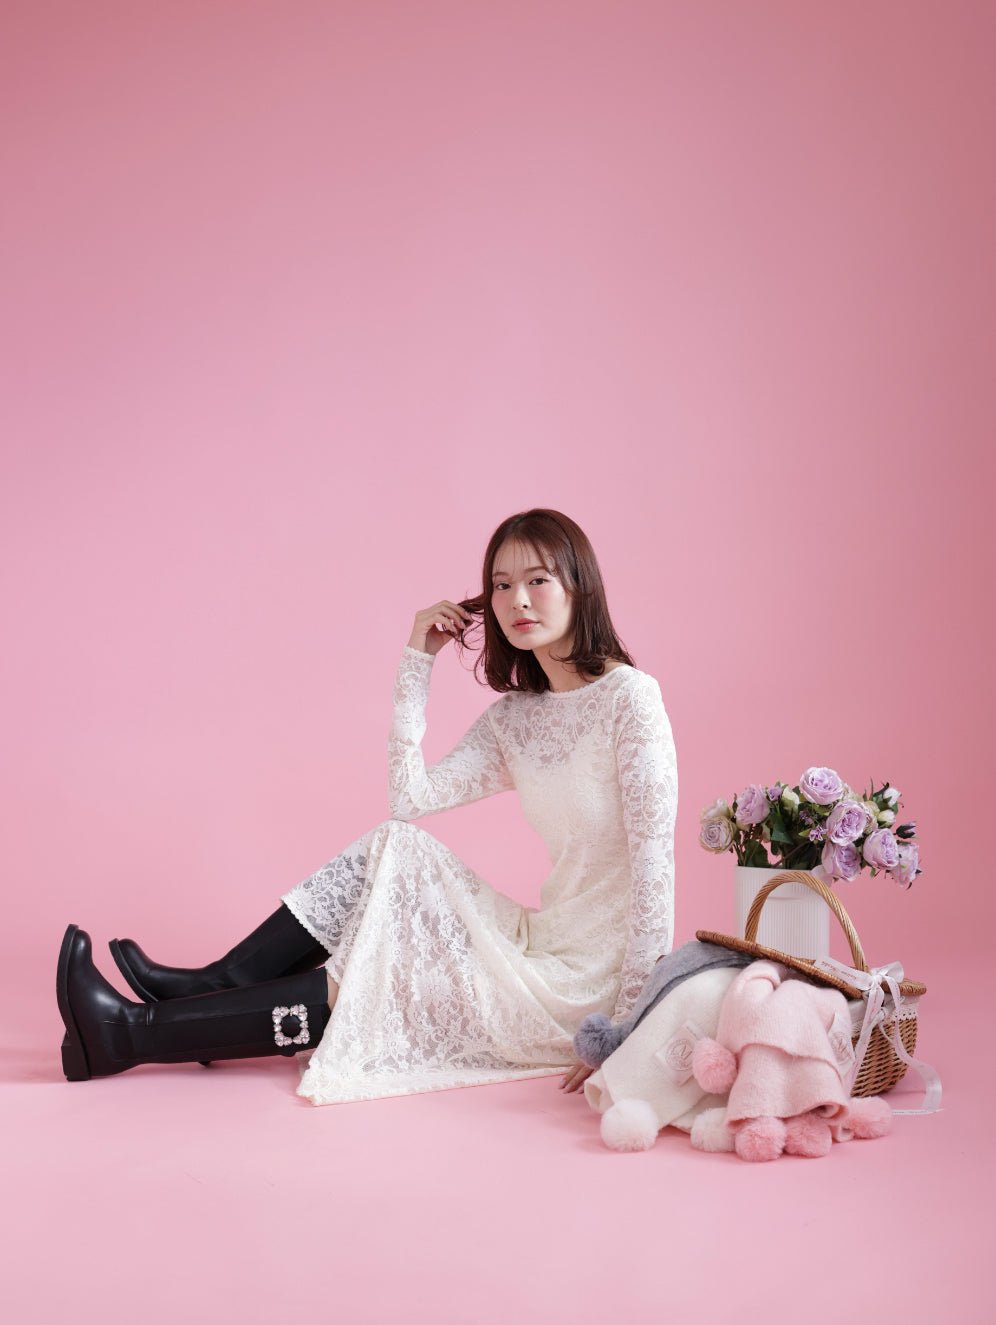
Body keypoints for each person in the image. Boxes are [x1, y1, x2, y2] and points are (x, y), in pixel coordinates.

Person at [56, 507, 678, 1105]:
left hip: (587, 987)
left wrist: (626, 1023)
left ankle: (131, 1031)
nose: (517, 600)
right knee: (395, 844)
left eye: (538, 580)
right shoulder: (516, 720)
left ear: (579, 587)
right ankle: (198, 994)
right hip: (535, 943)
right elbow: (410, 800)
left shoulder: (630, 700)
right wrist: (417, 661)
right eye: (501, 584)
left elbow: (655, 868)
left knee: (376, 975)